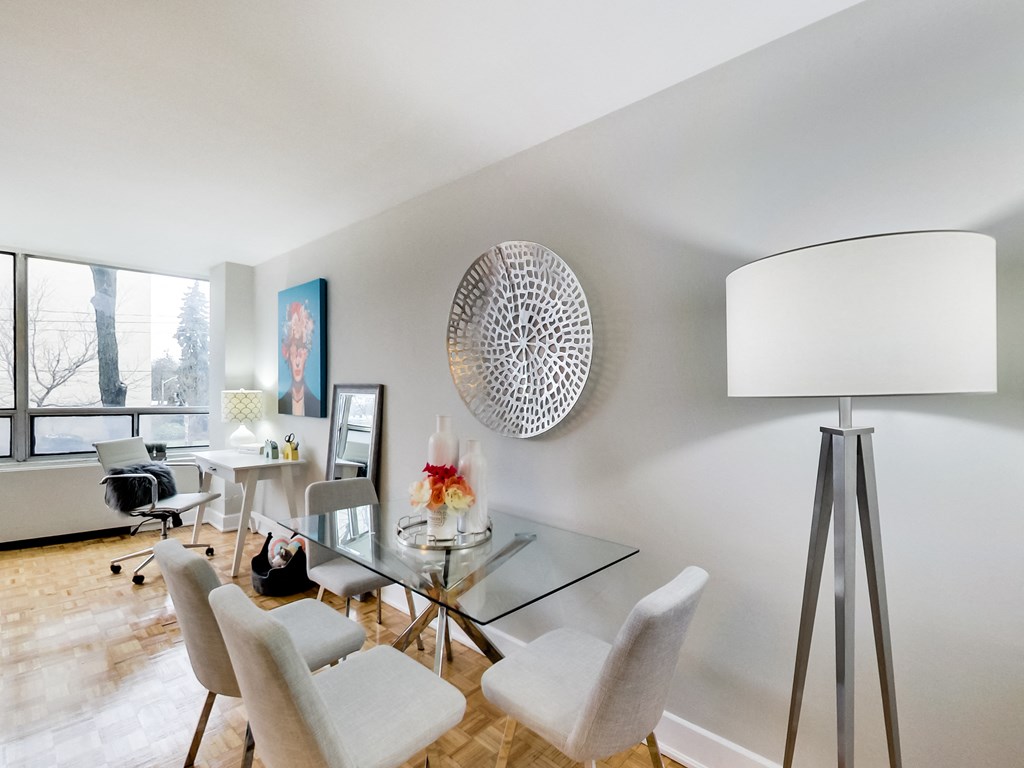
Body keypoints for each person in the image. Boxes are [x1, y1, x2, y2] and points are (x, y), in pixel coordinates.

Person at [278, 300, 320, 416]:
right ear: (286, 353)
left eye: (300, 350)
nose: (297, 361)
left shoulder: (317, 405)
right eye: (294, 351)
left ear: (306, 354)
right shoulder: (280, 405)